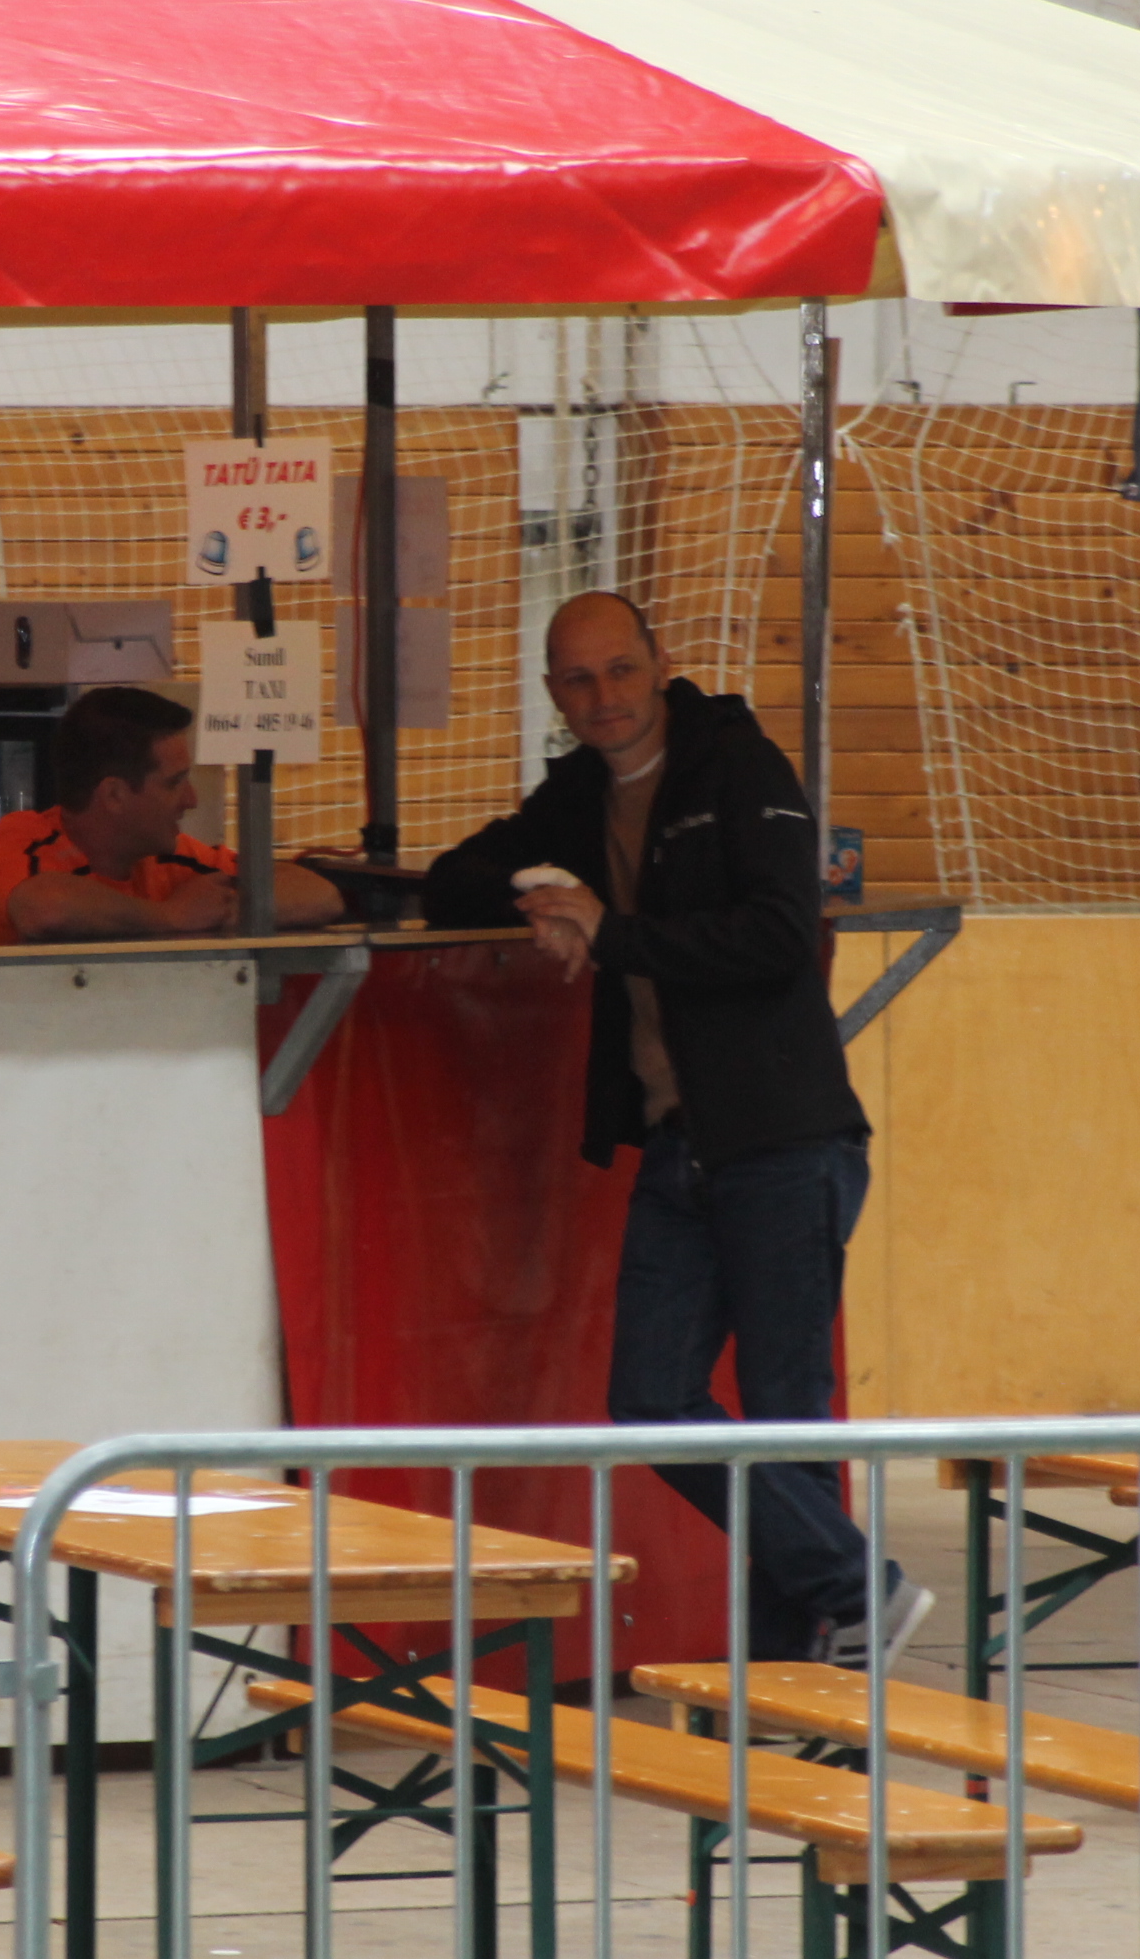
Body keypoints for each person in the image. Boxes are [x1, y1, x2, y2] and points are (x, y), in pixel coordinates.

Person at [419, 591, 929, 1672]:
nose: (601, 695)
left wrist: (611, 934)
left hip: (784, 1136)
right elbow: (451, 881)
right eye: (576, 679)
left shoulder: (737, 766)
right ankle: (852, 1597)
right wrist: (541, 898)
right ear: (552, 693)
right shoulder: (577, 793)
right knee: (652, 1402)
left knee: (785, 1417)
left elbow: (779, 936)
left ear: (659, 664)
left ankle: (802, 1660)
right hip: (677, 1145)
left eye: (618, 669)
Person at [0, 686, 345, 945]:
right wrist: (170, 917)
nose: (191, 800)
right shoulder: (25, 839)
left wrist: (223, 908)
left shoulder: (170, 859)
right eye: (174, 783)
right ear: (114, 795)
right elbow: (47, 909)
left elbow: (319, 895)